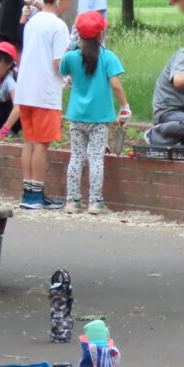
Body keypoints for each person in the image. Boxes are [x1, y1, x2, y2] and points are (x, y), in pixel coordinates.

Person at [14, 0, 79, 210]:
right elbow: (58, 63)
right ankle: (37, 194)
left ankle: (28, 193)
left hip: (25, 90)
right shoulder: (58, 25)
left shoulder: (33, 20)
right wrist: (72, 73)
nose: (71, 1)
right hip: (45, 92)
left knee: (29, 142)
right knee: (42, 144)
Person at [62, 12, 131, 215]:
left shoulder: (72, 57)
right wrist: (124, 106)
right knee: (96, 158)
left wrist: (70, 44)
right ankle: (95, 202)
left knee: (76, 157)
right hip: (101, 118)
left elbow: (61, 67)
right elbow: (116, 85)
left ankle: (72, 201)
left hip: (76, 116)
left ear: (79, 35)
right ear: (101, 34)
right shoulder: (108, 57)